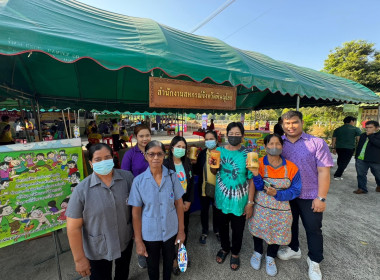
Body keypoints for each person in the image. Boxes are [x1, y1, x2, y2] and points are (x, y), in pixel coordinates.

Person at [277, 111, 333, 280]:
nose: (290, 126)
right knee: (290, 224)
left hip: (310, 194)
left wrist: (321, 197)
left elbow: (324, 171)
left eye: (294, 122)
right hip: (288, 193)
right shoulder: (280, 143)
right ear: (282, 125)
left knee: (313, 228)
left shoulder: (316, 143)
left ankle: (314, 261)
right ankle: (294, 249)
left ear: (301, 122)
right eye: (286, 123)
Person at [66, 143, 134, 279]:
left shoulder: (127, 178)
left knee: (123, 272)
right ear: (91, 163)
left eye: (107, 157)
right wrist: (79, 259)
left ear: (113, 159)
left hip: (124, 240)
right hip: (97, 248)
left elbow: (135, 208)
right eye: (98, 159)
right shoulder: (81, 190)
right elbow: (73, 228)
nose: (104, 162)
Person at [128, 140, 185, 280]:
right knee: (152, 267)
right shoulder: (139, 181)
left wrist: (181, 231)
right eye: (151, 154)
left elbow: (179, 205)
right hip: (149, 234)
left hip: (170, 231)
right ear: (146, 156)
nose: (155, 158)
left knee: (168, 264)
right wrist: (139, 241)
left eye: (159, 154)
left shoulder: (172, 177)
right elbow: (136, 213)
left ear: (164, 155)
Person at [248, 134, 301, 277]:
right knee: (258, 229)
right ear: (265, 147)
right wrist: (255, 174)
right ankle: (257, 252)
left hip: (282, 208)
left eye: (277, 144)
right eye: (271, 144)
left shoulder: (291, 167)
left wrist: (277, 194)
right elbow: (258, 186)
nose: (274, 147)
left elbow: (296, 190)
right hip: (261, 206)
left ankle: (270, 257)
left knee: (278, 232)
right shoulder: (258, 162)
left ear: (282, 147)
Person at [212, 122, 255, 271]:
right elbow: (213, 172)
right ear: (226, 134)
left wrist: (250, 203)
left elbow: (252, 179)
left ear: (242, 136)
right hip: (221, 199)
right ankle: (225, 248)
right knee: (222, 227)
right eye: (231, 133)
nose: (234, 136)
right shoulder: (218, 151)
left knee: (238, 229)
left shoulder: (249, 154)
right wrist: (213, 166)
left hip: (240, 202)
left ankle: (235, 253)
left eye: (237, 134)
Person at [121, 124, 152, 269]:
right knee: (139, 225)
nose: (145, 139)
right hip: (138, 196)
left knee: (152, 224)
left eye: (147, 135)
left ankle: (154, 250)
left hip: (155, 195)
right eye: (141, 136)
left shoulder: (155, 150)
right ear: (135, 137)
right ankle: (141, 253)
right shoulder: (130, 154)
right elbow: (125, 177)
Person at [163, 136, 194, 275]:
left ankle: (181, 255)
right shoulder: (165, 164)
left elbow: (191, 184)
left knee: (183, 230)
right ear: (171, 148)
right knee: (171, 233)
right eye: (178, 146)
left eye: (183, 147)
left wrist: (188, 201)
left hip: (185, 204)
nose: (181, 149)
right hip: (170, 206)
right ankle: (173, 259)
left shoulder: (187, 163)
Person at [194, 130, 219, 245]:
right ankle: (205, 231)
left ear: (216, 140)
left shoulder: (221, 153)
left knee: (217, 210)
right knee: (204, 210)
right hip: (204, 187)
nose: (209, 141)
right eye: (207, 139)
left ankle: (217, 230)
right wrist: (193, 163)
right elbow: (198, 171)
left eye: (211, 139)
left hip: (218, 189)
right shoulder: (203, 154)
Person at [353, 120, 380, 194]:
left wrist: (370, 135)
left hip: (375, 160)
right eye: (367, 127)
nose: (368, 129)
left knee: (378, 174)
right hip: (361, 159)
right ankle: (362, 188)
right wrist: (356, 156)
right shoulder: (363, 135)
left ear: (377, 128)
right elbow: (359, 146)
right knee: (360, 174)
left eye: (370, 127)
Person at [331, 116, 362, 180]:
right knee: (345, 162)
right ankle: (337, 175)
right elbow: (359, 140)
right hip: (349, 148)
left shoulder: (338, 129)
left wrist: (333, 148)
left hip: (339, 147)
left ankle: (341, 169)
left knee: (340, 159)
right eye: (354, 121)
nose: (354, 123)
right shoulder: (355, 129)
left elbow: (334, 139)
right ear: (351, 121)